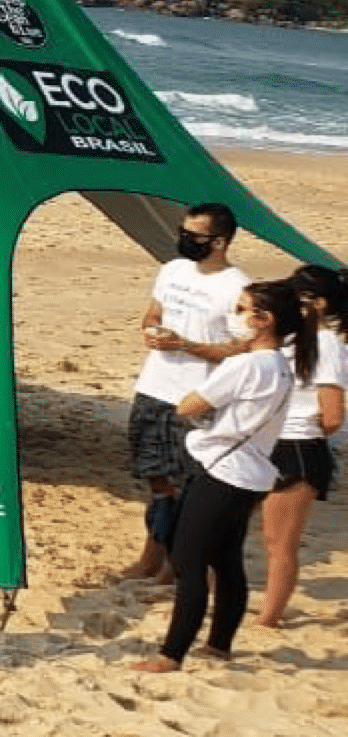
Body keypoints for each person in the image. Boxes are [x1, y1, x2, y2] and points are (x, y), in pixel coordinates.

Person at [134, 280, 317, 673]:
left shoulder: (248, 364)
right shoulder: (281, 366)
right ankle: (218, 645)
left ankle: (172, 653)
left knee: (188, 559)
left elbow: (189, 405)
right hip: (249, 473)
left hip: (224, 470)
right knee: (226, 559)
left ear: (263, 320)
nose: (235, 318)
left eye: (241, 309)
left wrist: (201, 387)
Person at [123, 202, 251, 582]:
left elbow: (240, 347)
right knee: (155, 476)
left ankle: (178, 565)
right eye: (183, 232)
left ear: (219, 242)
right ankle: (152, 554)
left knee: (189, 481)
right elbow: (152, 313)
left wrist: (187, 345)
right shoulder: (173, 269)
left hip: (199, 394)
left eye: (194, 236)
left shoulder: (237, 286)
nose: (184, 240)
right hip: (154, 385)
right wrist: (152, 330)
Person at [255, 265, 347, 628]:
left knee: (280, 541)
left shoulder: (327, 346)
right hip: (268, 441)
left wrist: (304, 429)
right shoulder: (290, 337)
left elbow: (333, 415)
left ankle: (269, 617)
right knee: (252, 531)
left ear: (317, 304)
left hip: (298, 445)